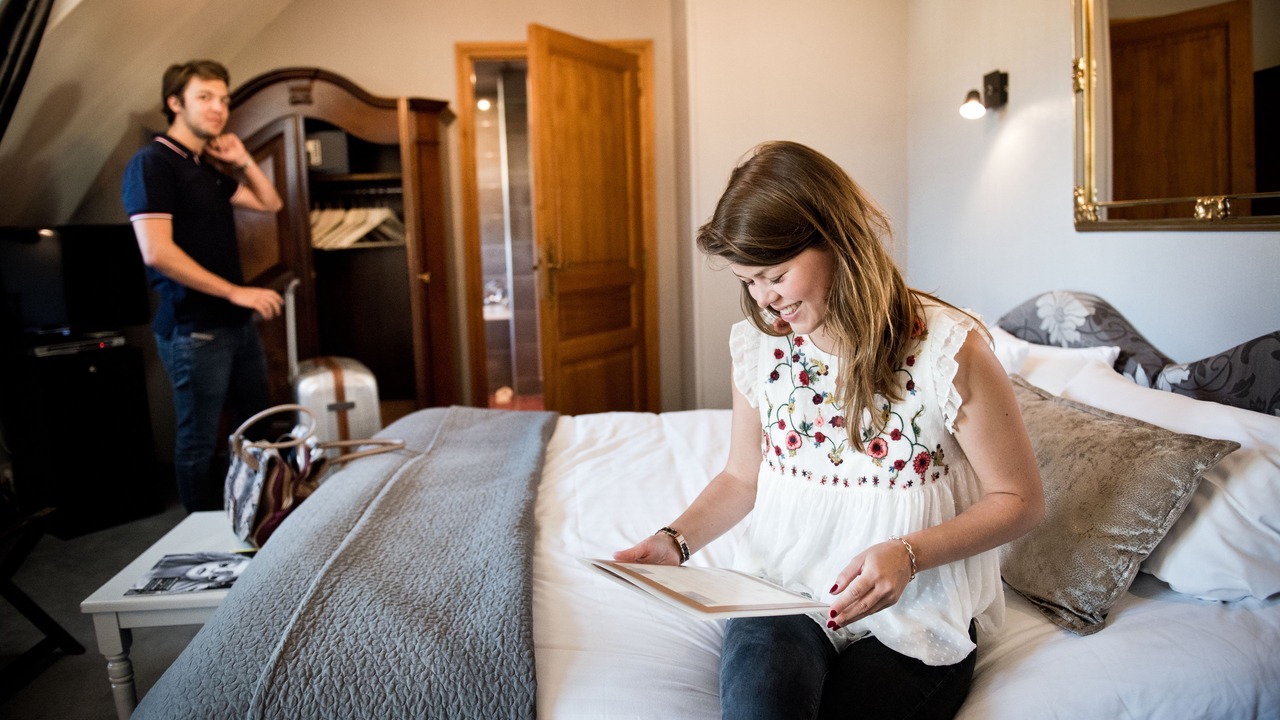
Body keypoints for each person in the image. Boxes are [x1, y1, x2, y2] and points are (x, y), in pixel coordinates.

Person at [614, 141, 1044, 719]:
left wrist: (909, 554)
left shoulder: (947, 350)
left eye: (776, 276)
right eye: (748, 282)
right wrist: (675, 540)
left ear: (837, 240)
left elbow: (1020, 500)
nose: (765, 301)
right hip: (781, 592)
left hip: (917, 605)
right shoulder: (759, 346)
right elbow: (742, 478)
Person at [122, 60, 284, 513]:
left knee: (257, 428)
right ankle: (200, 536)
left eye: (224, 100)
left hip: (236, 325)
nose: (218, 108)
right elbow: (156, 251)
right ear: (175, 103)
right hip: (194, 329)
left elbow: (270, 202)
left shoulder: (204, 168)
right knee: (199, 441)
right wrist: (236, 292)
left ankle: (257, 518)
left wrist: (242, 160)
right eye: (205, 97)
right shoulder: (153, 163)